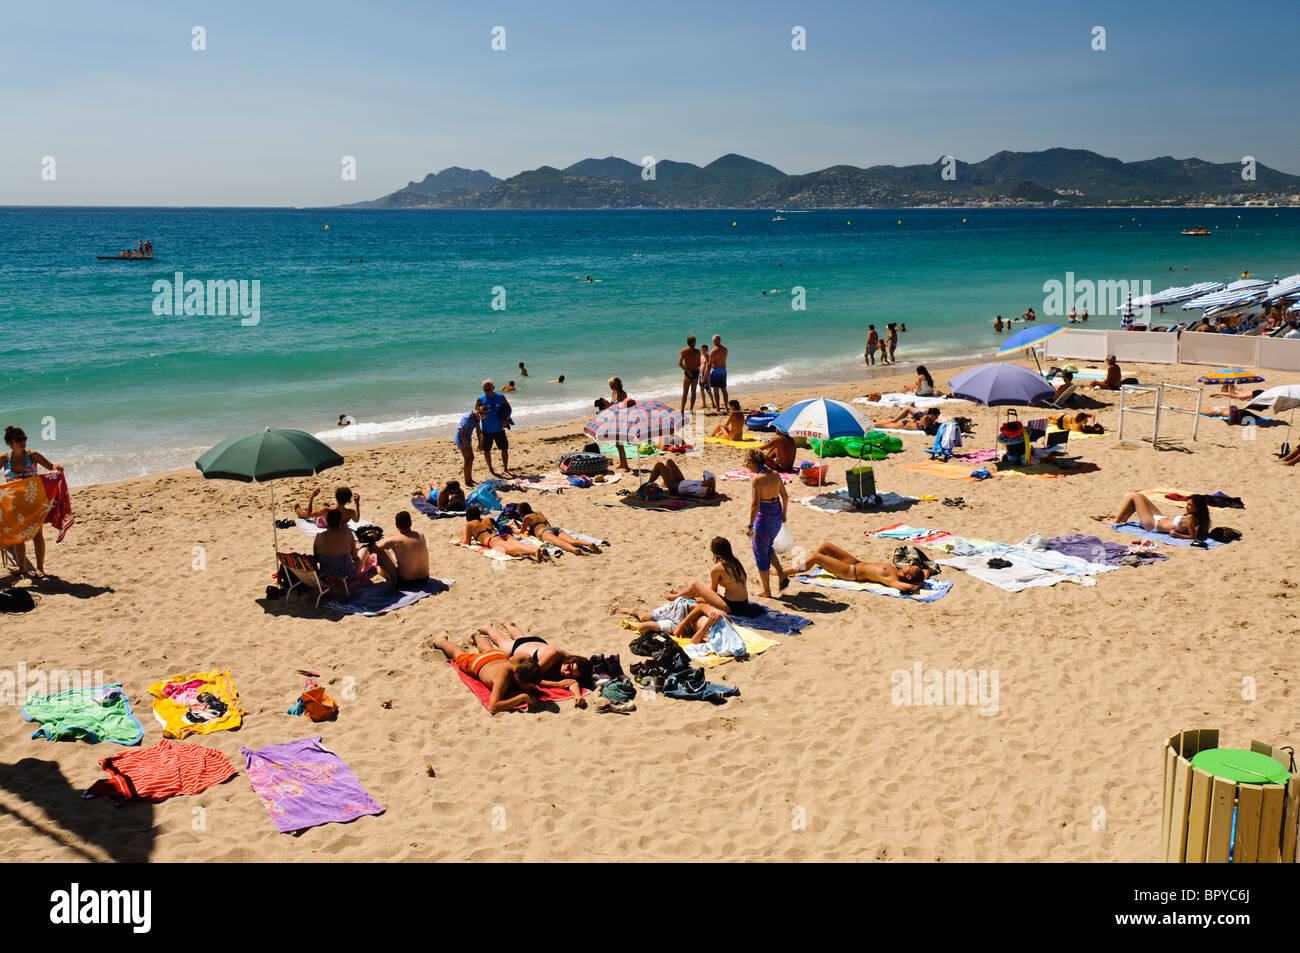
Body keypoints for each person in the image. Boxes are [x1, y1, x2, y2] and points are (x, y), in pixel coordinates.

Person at [477, 621, 590, 707]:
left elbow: (571, 683)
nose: (566, 673)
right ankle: (488, 628)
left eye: (570, 674)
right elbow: (533, 676)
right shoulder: (554, 655)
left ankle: (508, 625)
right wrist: (557, 684)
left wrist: (578, 696)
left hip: (535, 644)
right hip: (519, 648)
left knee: (519, 636)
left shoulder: (572, 666)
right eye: (568, 668)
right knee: (502, 642)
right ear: (570, 660)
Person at [1, 426, 62, 576]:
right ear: (10, 442)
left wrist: (57, 468)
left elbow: (51, 467)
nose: (23, 442)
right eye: (19, 440)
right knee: (17, 536)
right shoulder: (4, 459)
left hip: (33, 502)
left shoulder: (32, 455)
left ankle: (40, 568)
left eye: (24, 438)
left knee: (36, 534)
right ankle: (22, 567)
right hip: (14, 504)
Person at [433, 635, 545, 714]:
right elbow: (494, 705)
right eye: (530, 686)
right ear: (517, 677)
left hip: (498, 656)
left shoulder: (519, 668)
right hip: (479, 663)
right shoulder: (503, 677)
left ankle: (476, 637)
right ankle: (441, 642)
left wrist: (557, 684)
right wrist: (522, 697)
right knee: (458, 655)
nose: (532, 689)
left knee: (488, 649)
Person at [658, 536, 760, 616]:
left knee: (695, 585)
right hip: (743, 604)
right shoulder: (736, 563)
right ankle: (684, 594)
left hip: (732, 607)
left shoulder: (717, 568)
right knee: (700, 598)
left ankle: (676, 596)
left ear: (715, 552)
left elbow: (712, 590)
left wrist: (698, 592)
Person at [795, 541, 926, 593]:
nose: (909, 564)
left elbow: (911, 587)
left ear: (908, 576)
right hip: (854, 562)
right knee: (825, 546)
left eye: (911, 567)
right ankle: (806, 565)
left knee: (817, 556)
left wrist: (918, 585)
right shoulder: (898, 572)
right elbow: (925, 572)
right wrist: (922, 578)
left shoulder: (893, 580)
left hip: (849, 572)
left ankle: (786, 572)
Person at [744, 449, 789, 597]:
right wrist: (784, 514)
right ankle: (781, 574)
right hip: (776, 515)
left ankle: (766, 590)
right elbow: (785, 497)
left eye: (747, 462)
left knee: (760, 552)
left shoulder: (757, 479)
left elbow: (755, 505)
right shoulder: (775, 474)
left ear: (753, 462)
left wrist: (750, 525)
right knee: (767, 547)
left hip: (764, 519)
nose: (745, 464)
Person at [1099, 492, 1210, 541]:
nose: (1187, 507)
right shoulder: (1198, 518)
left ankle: (1117, 521)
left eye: (1190, 505)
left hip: (1153, 524)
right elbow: (1194, 531)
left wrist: (1177, 534)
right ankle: (1122, 519)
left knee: (1134, 496)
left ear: (1198, 508)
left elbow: (1193, 537)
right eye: (1187, 504)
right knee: (1140, 497)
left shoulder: (1191, 518)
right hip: (1161, 518)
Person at [506, 502, 602, 555]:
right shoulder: (538, 512)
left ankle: (574, 550)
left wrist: (511, 529)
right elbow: (547, 524)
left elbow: (521, 532)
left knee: (561, 543)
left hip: (544, 533)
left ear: (522, 512)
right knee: (572, 540)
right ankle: (588, 543)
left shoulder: (527, 517)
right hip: (554, 529)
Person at [462, 506, 551, 562]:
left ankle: (534, 551)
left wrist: (464, 534)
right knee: (520, 544)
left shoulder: (469, 524)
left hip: (492, 540)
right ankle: (538, 548)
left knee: (513, 549)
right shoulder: (487, 519)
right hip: (503, 535)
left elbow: (467, 542)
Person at [312, 509, 374, 583]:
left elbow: (316, 558)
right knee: (364, 550)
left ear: (326, 522)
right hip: (348, 576)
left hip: (326, 577)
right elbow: (354, 555)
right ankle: (368, 567)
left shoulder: (319, 536)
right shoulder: (348, 534)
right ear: (340, 522)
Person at [372, 511, 430, 587]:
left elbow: (375, 548)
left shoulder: (394, 540)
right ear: (411, 523)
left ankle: (384, 574)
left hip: (406, 582)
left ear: (396, 525)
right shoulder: (421, 535)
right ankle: (384, 573)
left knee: (381, 552)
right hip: (425, 579)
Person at [477, 380, 513, 478]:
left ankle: (505, 469)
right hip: (486, 430)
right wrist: (478, 430)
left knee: (504, 449)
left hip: (499, 429)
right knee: (486, 451)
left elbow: (509, 409)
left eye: (488, 389)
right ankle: (491, 469)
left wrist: (506, 419)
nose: (486, 392)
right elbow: (477, 415)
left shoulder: (500, 397)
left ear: (493, 387)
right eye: (484, 390)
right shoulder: (480, 399)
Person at [642, 458, 716, 498]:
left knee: (659, 465)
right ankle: (665, 483)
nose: (703, 479)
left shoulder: (701, 490)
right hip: (680, 481)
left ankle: (647, 484)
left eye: (705, 479)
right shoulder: (706, 487)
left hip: (675, 487)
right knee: (669, 461)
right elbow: (706, 476)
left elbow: (686, 494)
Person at [454, 405, 486, 487]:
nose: (481, 419)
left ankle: (470, 479)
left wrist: (480, 443)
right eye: (481, 417)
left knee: (471, 458)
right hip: (461, 439)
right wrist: (466, 446)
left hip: (468, 438)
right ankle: (466, 481)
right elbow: (462, 433)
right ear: (478, 413)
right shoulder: (467, 418)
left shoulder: (477, 418)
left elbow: (478, 431)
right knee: (467, 459)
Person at [295, 486, 360, 524]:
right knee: (324, 509)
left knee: (305, 515)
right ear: (348, 500)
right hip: (332, 518)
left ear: (336, 497)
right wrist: (357, 503)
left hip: (322, 522)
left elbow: (309, 514)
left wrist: (311, 497)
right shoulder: (350, 513)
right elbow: (356, 520)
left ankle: (298, 511)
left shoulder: (326, 510)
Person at [606, 377, 633, 471]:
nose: (610, 387)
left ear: (614, 385)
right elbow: (612, 405)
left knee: (620, 444)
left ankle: (626, 466)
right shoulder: (613, 393)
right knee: (617, 444)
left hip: (621, 419)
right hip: (614, 418)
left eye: (611, 385)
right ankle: (622, 463)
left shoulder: (622, 394)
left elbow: (622, 407)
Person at [679, 335, 701, 414]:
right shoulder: (697, 351)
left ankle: (682, 410)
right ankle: (691, 410)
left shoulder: (683, 351)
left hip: (688, 373)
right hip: (695, 372)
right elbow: (699, 364)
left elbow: (680, 364)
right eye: (695, 341)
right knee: (693, 392)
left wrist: (688, 371)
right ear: (693, 342)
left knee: (685, 393)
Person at [709, 335, 729, 408]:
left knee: (716, 390)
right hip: (723, 370)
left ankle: (718, 408)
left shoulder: (713, 351)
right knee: (724, 389)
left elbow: (710, 364)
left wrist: (705, 376)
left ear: (715, 341)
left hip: (715, 371)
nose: (713, 342)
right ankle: (726, 407)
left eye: (713, 341)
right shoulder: (725, 349)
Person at [699, 344, 715, 410]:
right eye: (702, 350)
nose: (703, 351)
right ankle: (704, 404)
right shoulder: (701, 357)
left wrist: (705, 377)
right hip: (700, 374)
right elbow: (700, 366)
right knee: (701, 389)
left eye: (704, 350)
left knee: (708, 390)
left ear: (707, 350)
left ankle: (713, 403)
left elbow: (707, 368)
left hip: (706, 375)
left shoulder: (708, 358)